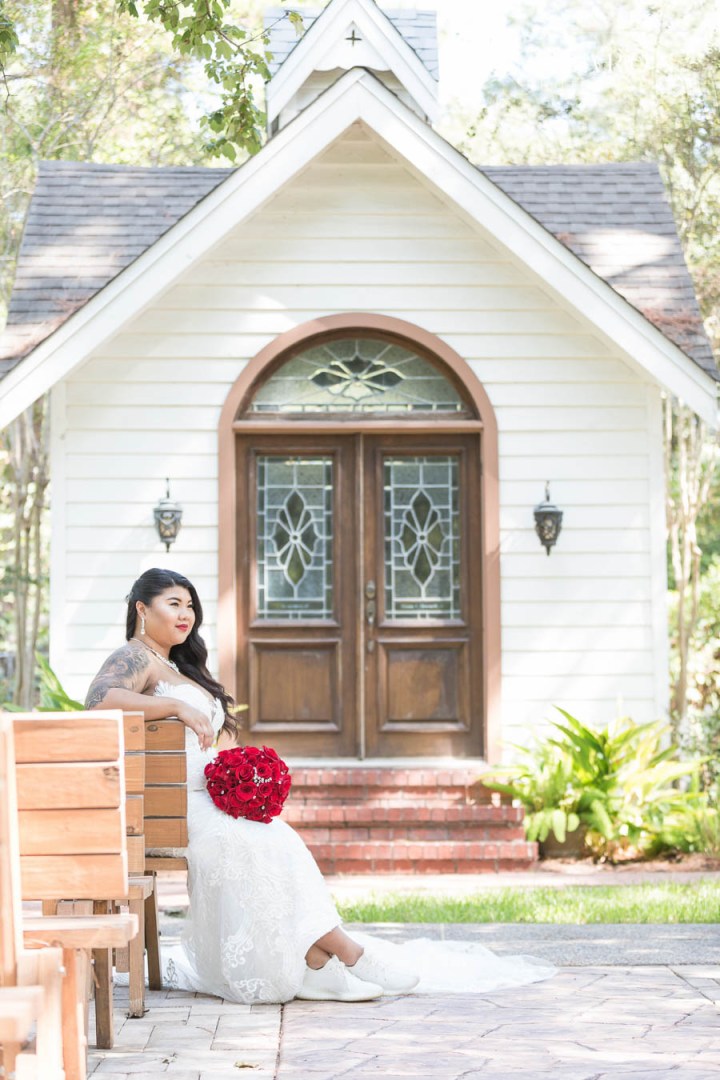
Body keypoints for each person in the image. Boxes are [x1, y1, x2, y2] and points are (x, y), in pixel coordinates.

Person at [86, 568, 555, 1004]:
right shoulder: (135, 656)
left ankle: (317, 959)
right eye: (173, 603)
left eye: (190, 604)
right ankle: (348, 955)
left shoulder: (181, 667)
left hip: (204, 799)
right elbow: (100, 700)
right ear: (143, 609)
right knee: (260, 843)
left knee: (279, 840)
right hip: (172, 808)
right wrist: (177, 709)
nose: (186, 613)